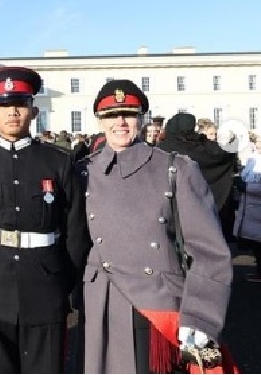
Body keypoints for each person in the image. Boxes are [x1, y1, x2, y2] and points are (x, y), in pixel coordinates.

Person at [77, 79, 234, 373]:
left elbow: (209, 250)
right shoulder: (84, 170)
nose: (120, 122)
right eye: (111, 115)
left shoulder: (176, 168)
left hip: (156, 303)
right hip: (102, 300)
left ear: (142, 118)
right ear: (100, 121)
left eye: (129, 114)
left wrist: (201, 317)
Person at [0, 67, 91, 373]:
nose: (13, 112)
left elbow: (74, 227)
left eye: (20, 104)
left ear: (33, 110)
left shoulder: (58, 161)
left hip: (44, 280)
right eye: (4, 105)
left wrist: (66, 281)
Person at [158, 113, 238, 243]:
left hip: (171, 200)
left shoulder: (162, 148)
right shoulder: (199, 146)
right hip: (197, 201)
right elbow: (222, 154)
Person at [234, 135, 261, 282]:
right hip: (250, 208)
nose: (259, 145)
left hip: (257, 207)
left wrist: (246, 187)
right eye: (258, 142)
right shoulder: (253, 158)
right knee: (256, 244)